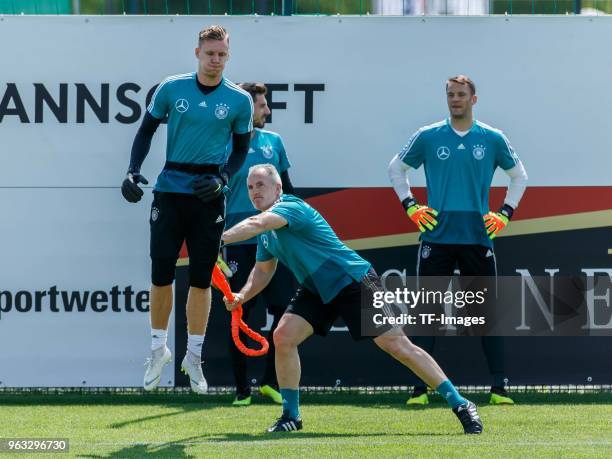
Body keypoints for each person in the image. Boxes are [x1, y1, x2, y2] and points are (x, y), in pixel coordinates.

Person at [221, 164, 483, 434]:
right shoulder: (266, 235)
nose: (254, 192)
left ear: (278, 188)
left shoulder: (289, 208)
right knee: (283, 336)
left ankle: (461, 403)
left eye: (260, 185)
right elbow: (263, 272)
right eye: (250, 187)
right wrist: (242, 295)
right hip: (316, 288)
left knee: (397, 346)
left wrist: (218, 238)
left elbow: (255, 223)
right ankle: (291, 415)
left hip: (352, 279)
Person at [120, 25, 254, 394]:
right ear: (197, 53)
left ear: (228, 55)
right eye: (209, 53)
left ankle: (193, 356)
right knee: (161, 272)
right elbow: (145, 131)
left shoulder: (239, 100)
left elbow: (241, 149)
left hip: (208, 193)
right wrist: (132, 170)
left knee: (200, 277)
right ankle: (157, 349)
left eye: (222, 54)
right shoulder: (171, 87)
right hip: (169, 189)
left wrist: (223, 179)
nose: (215, 60)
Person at [387, 75, 528, 405]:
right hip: (436, 236)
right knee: (428, 314)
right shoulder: (428, 136)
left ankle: (498, 388)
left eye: (461, 95)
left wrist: (505, 213)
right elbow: (396, 169)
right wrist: (411, 206)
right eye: (451, 94)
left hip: (478, 237)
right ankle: (420, 390)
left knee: (487, 313)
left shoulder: (492, 138)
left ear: (473, 99)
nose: (455, 100)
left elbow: (520, 176)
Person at [222, 82, 297, 406]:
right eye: (261, 105)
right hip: (238, 240)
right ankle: (241, 390)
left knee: (285, 313)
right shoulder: (223, 143)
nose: (267, 110)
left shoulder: (274, 142)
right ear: (245, 108)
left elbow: (289, 191)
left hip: (274, 240)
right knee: (239, 311)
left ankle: (271, 382)